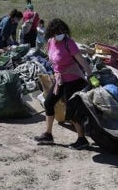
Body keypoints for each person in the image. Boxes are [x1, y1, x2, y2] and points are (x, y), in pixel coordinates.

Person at [34, 18, 93, 150]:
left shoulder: (69, 43)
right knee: (48, 103)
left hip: (73, 80)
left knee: (71, 110)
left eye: (62, 31)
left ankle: (82, 139)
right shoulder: (50, 42)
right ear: (52, 32)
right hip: (59, 80)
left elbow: (81, 60)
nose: (60, 34)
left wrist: (90, 75)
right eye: (58, 32)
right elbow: (53, 60)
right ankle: (48, 135)